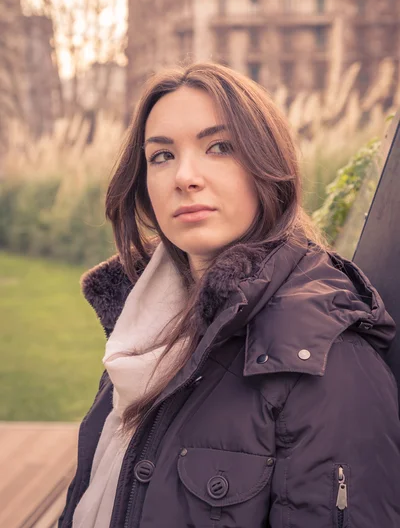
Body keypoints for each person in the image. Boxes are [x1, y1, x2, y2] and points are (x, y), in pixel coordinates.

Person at [59, 62, 400, 528]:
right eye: (161, 156)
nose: (185, 176)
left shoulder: (326, 356)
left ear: (268, 164)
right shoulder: (141, 328)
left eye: (219, 147)